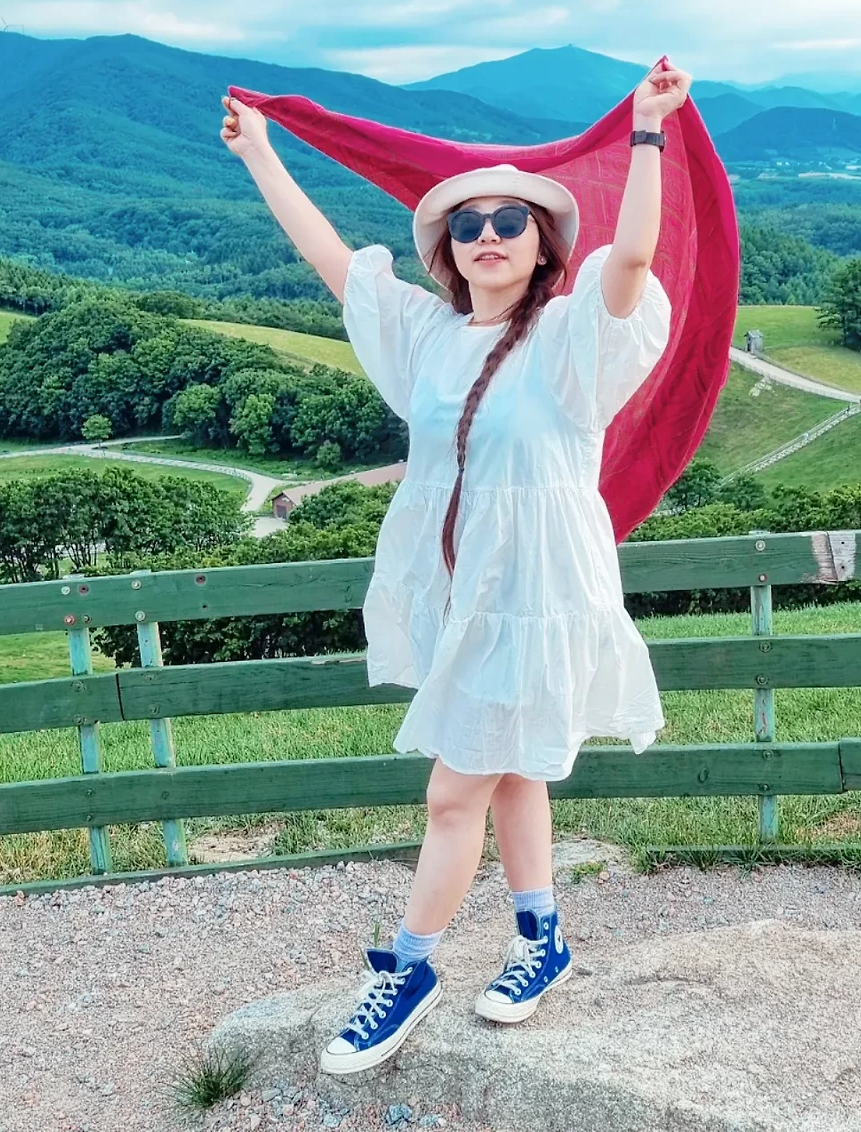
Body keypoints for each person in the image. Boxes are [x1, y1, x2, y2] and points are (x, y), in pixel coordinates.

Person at [220, 55, 692, 1075]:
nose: (487, 234)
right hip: (465, 586)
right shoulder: (429, 338)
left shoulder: (570, 338)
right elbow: (334, 263)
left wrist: (647, 133)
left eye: (510, 221)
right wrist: (261, 154)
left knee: (451, 793)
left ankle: (410, 965)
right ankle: (541, 939)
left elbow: (632, 261)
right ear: (446, 248)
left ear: (542, 245)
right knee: (513, 770)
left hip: (539, 592)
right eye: (468, 223)